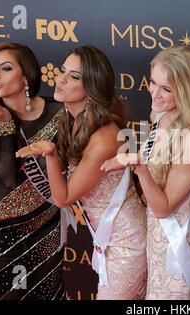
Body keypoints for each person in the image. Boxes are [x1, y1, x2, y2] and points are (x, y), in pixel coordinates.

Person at [16, 45, 147, 300]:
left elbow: (63, 198)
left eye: (74, 76)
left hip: (126, 244)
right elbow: (27, 106)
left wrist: (51, 154)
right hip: (108, 241)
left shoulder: (102, 139)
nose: (61, 78)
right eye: (63, 70)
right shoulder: (74, 119)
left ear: (93, 87)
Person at [101, 45, 190, 299]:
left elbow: (163, 207)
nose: (155, 92)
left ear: (188, 91)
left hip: (179, 258)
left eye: (167, 89)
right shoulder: (160, 116)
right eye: (153, 82)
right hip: (155, 251)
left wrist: (139, 168)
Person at [0, 42, 65, 299]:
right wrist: (5, 124)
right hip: (4, 224)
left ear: (26, 76)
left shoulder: (58, 111)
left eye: (5, 68)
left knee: (49, 292)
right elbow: (7, 178)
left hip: (45, 219)